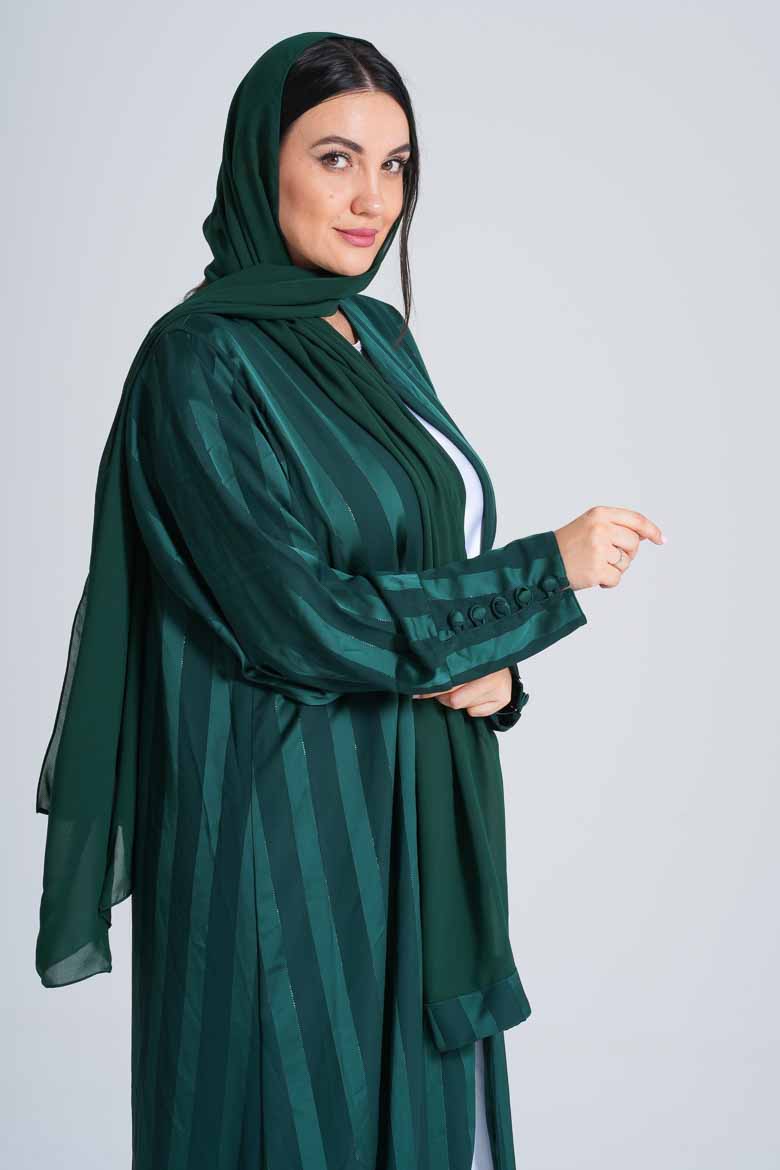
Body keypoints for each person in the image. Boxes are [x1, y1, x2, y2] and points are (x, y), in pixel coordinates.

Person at [34, 31, 664, 1170]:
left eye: (396, 164)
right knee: (287, 1123)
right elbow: (299, 616)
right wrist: (541, 574)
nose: (374, 198)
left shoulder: (374, 336)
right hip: (281, 842)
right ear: (260, 161)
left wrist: (495, 672)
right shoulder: (199, 362)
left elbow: (413, 563)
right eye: (336, 158)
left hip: (414, 825)